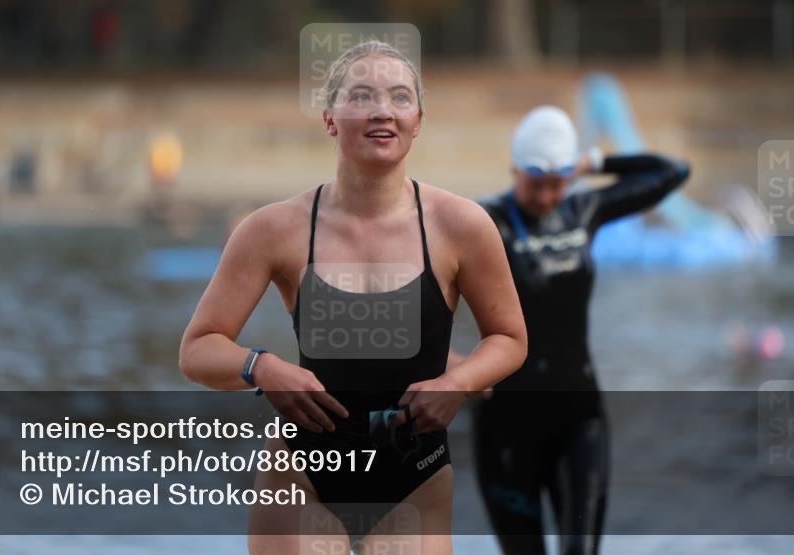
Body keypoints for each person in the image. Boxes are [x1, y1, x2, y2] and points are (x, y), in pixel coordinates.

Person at [179, 40, 527, 555]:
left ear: (418, 119)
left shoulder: (462, 226)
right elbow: (198, 349)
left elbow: (510, 337)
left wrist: (457, 383)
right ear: (330, 119)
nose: (382, 110)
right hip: (302, 475)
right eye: (361, 96)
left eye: (400, 97)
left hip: (417, 478)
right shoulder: (274, 229)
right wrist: (261, 368)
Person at [452, 105, 690, 555]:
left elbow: (673, 171)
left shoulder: (585, 208)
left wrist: (594, 163)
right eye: (535, 184)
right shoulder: (484, 222)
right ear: (514, 170)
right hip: (505, 424)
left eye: (557, 184)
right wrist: (450, 366)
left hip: (579, 421)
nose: (546, 197)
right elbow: (415, 299)